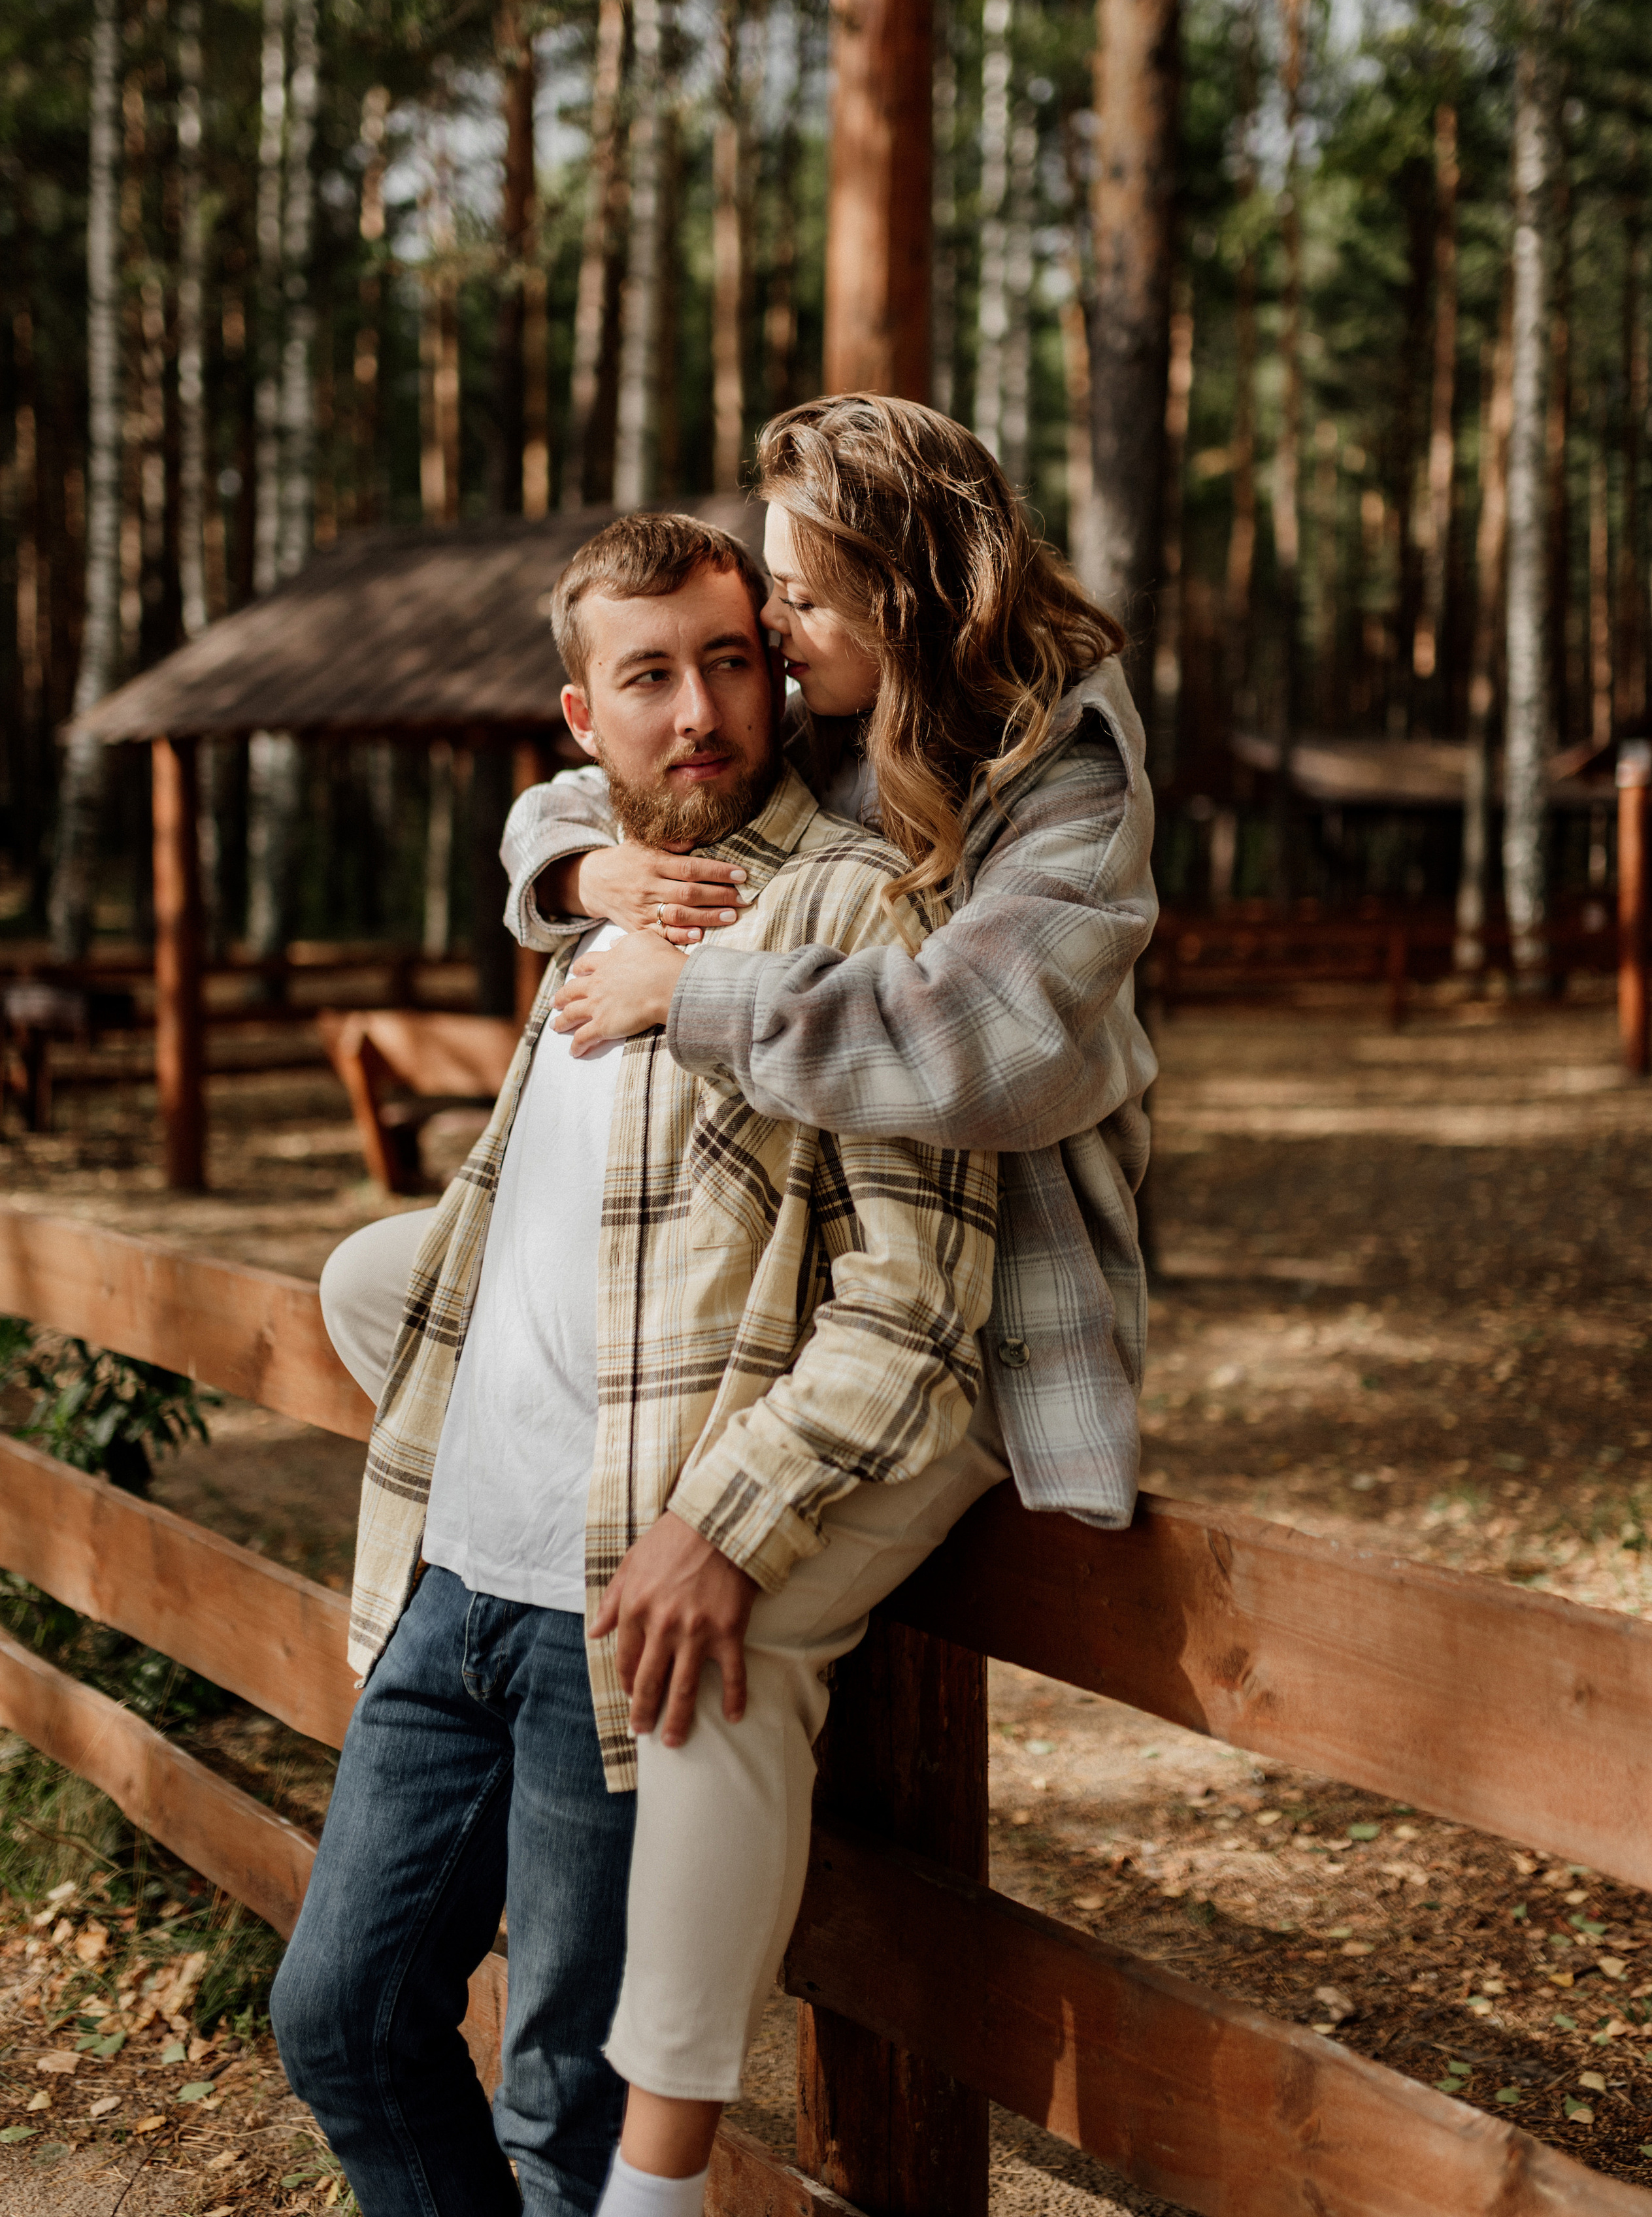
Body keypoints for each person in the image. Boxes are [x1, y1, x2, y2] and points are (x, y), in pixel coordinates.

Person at [269, 511, 1002, 2217]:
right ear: (583, 716)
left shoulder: (861, 916)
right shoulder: (592, 885)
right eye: (651, 676)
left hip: (628, 1614)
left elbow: (919, 1306)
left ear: (779, 673)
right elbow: (536, 840)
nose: (699, 710)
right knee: (342, 2017)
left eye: (731, 660)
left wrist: (723, 1519)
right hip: (451, 1568)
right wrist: (583, 870)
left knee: (566, 2127)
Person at [515, 393, 1157, 1537]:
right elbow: (602, 783)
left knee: (722, 1633)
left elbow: (983, 1034)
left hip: (976, 1295)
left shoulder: (1073, 781)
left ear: (903, 613)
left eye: (803, 599)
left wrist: (692, 993)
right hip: (792, 1242)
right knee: (397, 1296)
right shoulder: (841, 703)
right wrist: (585, 871)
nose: (771, 624)